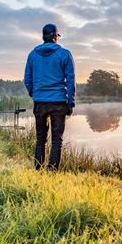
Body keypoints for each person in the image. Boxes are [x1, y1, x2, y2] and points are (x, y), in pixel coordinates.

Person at [24, 23, 76, 170]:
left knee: (40, 138)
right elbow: (71, 80)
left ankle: (38, 169)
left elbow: (27, 79)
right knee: (56, 140)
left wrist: (34, 94)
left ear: (43, 37)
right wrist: (70, 102)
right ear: (55, 36)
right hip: (58, 102)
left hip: (40, 102)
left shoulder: (33, 55)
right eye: (57, 35)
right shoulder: (64, 54)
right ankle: (52, 172)